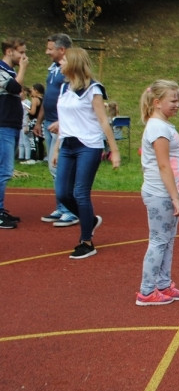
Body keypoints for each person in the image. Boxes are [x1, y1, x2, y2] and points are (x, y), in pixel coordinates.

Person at [52, 47, 121, 259]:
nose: (60, 63)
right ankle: (89, 219)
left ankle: (86, 241)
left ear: (73, 63)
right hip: (68, 146)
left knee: (80, 193)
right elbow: (64, 122)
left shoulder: (94, 90)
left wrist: (114, 151)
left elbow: (103, 121)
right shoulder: (64, 89)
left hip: (88, 146)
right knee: (63, 193)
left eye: (63, 60)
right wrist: (56, 148)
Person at [137, 80, 179, 305]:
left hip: (168, 193)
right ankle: (147, 291)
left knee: (167, 241)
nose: (177, 104)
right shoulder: (157, 127)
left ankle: (163, 284)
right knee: (159, 241)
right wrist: (174, 196)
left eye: (178, 100)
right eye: (173, 100)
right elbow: (163, 165)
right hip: (161, 194)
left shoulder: (163, 125)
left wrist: (178, 192)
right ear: (157, 103)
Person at [36, 33, 78, 227]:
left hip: (63, 126)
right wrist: (39, 121)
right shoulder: (53, 68)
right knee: (54, 167)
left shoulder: (71, 70)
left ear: (62, 50)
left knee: (62, 167)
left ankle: (70, 209)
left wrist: (64, 122)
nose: (47, 52)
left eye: (50, 48)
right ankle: (62, 207)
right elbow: (49, 97)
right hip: (49, 123)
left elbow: (74, 100)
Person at [0, 38, 28, 229]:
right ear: (10, 51)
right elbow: (13, 87)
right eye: (21, 52)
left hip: (11, 125)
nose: (24, 56)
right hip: (3, 125)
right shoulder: (2, 69)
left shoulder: (9, 71)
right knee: (3, 170)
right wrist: (23, 69)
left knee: (4, 170)